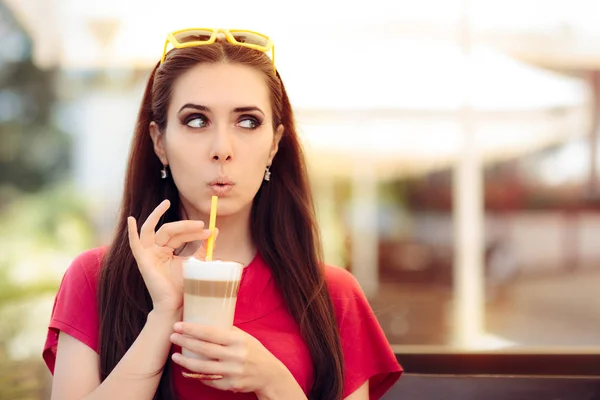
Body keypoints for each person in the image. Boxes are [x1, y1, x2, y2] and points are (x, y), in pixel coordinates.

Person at [43, 28, 402, 400]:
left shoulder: (332, 295)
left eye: (247, 122)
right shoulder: (94, 279)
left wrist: (274, 382)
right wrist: (164, 314)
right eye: (196, 121)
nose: (221, 149)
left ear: (274, 145)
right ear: (159, 142)